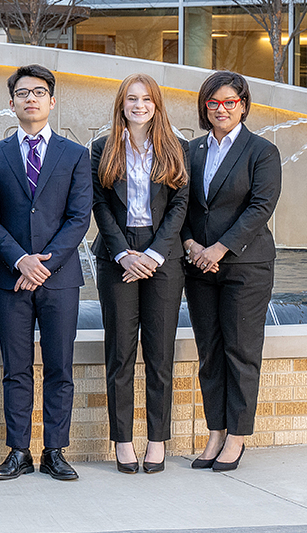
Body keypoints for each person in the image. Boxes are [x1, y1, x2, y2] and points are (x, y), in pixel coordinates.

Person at [0, 64, 92, 482]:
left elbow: (80, 217)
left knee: (60, 366)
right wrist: (19, 260)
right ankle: (18, 450)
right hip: (10, 277)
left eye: (40, 92)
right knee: (16, 367)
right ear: (11, 103)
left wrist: (44, 263)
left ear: (52, 101)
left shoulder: (75, 154)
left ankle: (55, 450)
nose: (31, 99)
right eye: (23, 93)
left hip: (59, 278)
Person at [182, 71, 282, 472]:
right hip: (199, 265)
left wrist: (219, 249)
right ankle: (215, 432)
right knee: (209, 353)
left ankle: (237, 436)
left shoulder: (262, 151)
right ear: (204, 107)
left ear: (243, 105)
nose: (221, 109)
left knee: (240, 352)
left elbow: (261, 207)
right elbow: (180, 204)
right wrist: (191, 245)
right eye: (213, 103)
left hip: (245, 264)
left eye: (230, 102)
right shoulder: (191, 151)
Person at [89, 74, 189, 474]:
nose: (139, 105)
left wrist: (153, 254)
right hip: (117, 254)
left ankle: (157, 439)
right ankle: (124, 441)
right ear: (121, 104)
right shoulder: (102, 148)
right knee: (121, 353)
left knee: (160, 354)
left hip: (162, 254)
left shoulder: (174, 148)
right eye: (132, 98)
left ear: (157, 105)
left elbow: (180, 203)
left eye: (146, 99)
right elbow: (98, 204)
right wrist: (122, 254)